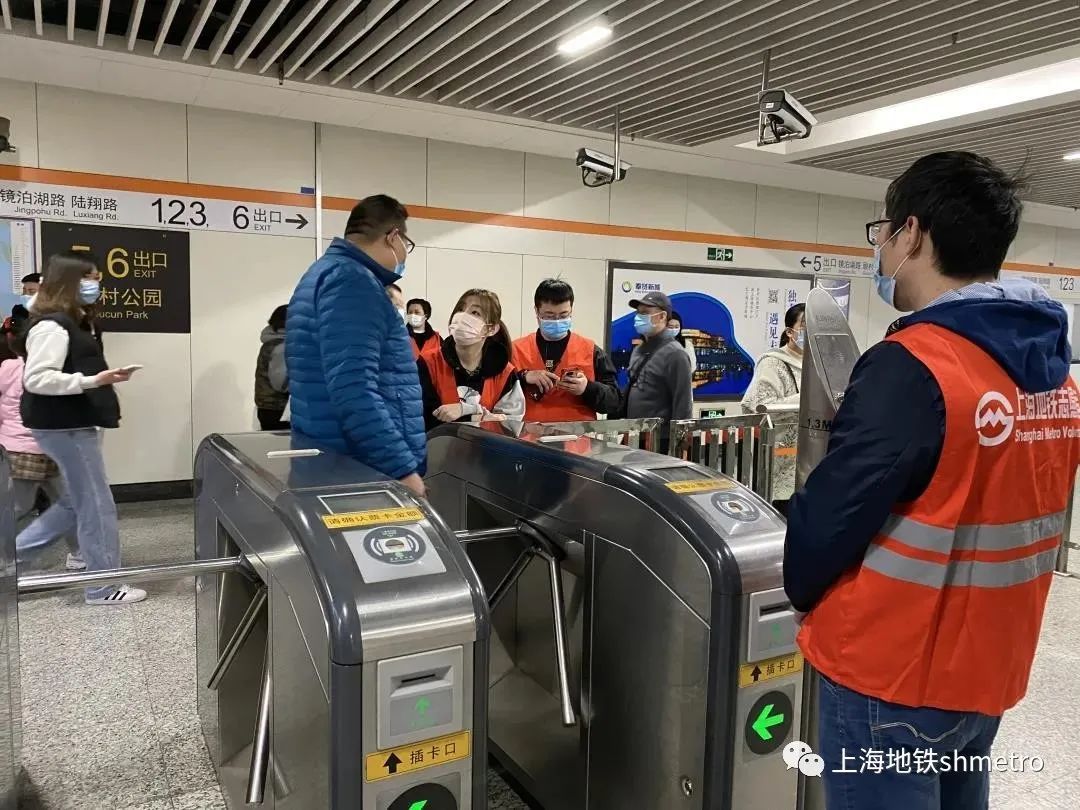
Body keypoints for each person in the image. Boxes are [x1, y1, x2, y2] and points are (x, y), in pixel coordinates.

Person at [785, 151, 1080, 810]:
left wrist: (799, 591)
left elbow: (831, 517)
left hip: (891, 672)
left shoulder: (915, 364)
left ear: (911, 234)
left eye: (881, 232)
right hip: (990, 667)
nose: (880, 247)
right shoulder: (1057, 379)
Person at [15, 251, 144, 604]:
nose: (96, 285)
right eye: (90, 278)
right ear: (71, 283)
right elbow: (37, 378)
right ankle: (103, 586)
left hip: (71, 424)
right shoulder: (52, 326)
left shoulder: (74, 322)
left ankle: (10, 562)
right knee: (96, 504)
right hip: (64, 426)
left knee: (75, 502)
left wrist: (98, 379)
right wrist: (91, 380)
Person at [286, 195, 426, 498]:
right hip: (361, 467)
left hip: (331, 458)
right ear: (393, 237)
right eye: (406, 244)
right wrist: (401, 468)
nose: (404, 253)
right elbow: (354, 387)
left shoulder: (320, 273)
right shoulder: (353, 281)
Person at [0, 312, 83, 571]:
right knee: (19, 507)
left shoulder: (7, 367)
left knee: (67, 502)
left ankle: (80, 554)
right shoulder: (45, 372)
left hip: (32, 448)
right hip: (31, 448)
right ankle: (5, 560)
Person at [513, 279, 621, 421]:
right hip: (529, 437)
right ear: (537, 311)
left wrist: (587, 388)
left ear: (571, 311)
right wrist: (523, 377)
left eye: (563, 315)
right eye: (549, 316)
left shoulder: (591, 351)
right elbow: (497, 392)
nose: (557, 321)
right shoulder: (516, 350)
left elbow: (614, 401)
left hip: (577, 437)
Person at [418, 289, 525, 431]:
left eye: (475, 313)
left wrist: (466, 411)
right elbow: (424, 417)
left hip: (485, 451)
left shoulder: (506, 373)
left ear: (491, 329)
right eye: (461, 309)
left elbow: (510, 425)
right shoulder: (428, 363)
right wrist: (477, 415)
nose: (462, 316)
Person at [740, 302, 804, 515]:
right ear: (790, 331)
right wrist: (804, 400)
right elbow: (754, 407)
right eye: (805, 325)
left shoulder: (820, 364)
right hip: (780, 460)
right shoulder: (774, 363)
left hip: (812, 459)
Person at [624, 292, 692, 424]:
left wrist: (678, 441)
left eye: (645, 313)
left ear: (662, 316)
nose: (639, 318)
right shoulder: (638, 350)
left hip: (660, 439)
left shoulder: (675, 354)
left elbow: (683, 406)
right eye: (638, 313)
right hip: (635, 435)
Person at [254, 305, 289, 430]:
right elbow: (281, 383)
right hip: (278, 409)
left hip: (268, 407)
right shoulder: (281, 346)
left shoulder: (271, 343)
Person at [665, 310, 698, 376]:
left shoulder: (687, 344)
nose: (674, 329)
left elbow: (692, 367)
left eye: (676, 327)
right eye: (670, 327)